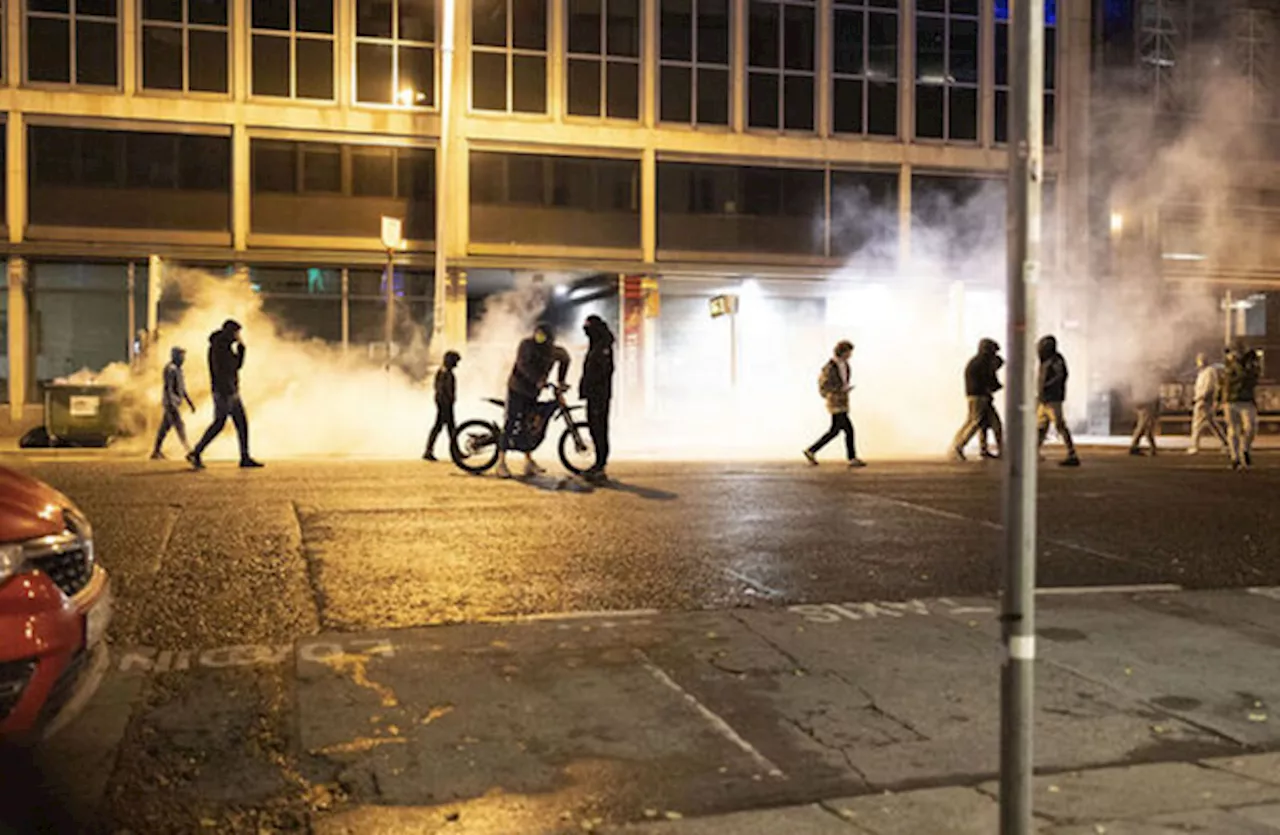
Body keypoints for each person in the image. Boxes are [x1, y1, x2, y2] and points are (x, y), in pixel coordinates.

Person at [495, 322, 570, 479]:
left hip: (533, 392)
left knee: (529, 425)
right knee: (510, 422)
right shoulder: (526, 345)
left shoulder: (553, 351)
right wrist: (537, 380)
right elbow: (522, 365)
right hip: (517, 388)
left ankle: (528, 462)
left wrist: (561, 381)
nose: (539, 338)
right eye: (537, 334)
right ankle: (501, 463)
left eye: (543, 336)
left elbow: (565, 358)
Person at [188, 319, 263, 470]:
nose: (238, 335)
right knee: (220, 424)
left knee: (239, 423)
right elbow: (225, 369)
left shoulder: (225, 346)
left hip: (230, 391)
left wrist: (241, 349)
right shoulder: (219, 347)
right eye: (236, 332)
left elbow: (236, 366)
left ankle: (244, 456)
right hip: (225, 392)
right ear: (229, 331)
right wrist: (227, 391)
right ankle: (196, 452)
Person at [804, 340, 866, 468]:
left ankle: (811, 450)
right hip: (835, 401)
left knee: (835, 431)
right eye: (849, 352)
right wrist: (837, 390)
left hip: (842, 400)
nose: (850, 355)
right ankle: (852, 457)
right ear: (842, 352)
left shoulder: (845, 365)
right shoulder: (830, 367)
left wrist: (844, 389)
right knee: (848, 429)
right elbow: (824, 385)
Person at [951, 338, 1004, 461]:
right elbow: (990, 381)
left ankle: (984, 449)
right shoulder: (983, 363)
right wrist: (996, 385)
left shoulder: (977, 361)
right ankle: (958, 446)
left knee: (988, 424)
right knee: (976, 422)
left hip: (979, 396)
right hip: (979, 397)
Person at [579, 315, 615, 482]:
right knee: (594, 428)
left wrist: (592, 388)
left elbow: (602, 372)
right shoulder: (597, 345)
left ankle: (600, 466)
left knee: (599, 430)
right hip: (594, 395)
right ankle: (598, 464)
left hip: (599, 396)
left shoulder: (603, 347)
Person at [1036, 335, 1081, 467]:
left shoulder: (1056, 360)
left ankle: (1072, 454)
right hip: (1045, 399)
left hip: (1053, 399)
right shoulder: (1047, 360)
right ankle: (1033, 453)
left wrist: (1046, 387)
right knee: (1041, 427)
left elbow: (1060, 376)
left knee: (1060, 425)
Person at [150, 346, 196, 460]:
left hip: (173, 403)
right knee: (180, 426)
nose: (183, 358)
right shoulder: (171, 369)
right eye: (181, 355)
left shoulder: (178, 369)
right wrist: (171, 403)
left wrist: (189, 402)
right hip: (171, 403)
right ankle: (189, 451)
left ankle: (156, 451)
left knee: (164, 428)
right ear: (175, 356)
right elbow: (168, 387)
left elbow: (182, 388)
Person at [1223, 343, 1261, 470]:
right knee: (1233, 430)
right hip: (1232, 400)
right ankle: (1235, 458)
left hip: (1247, 400)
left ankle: (1245, 449)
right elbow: (1230, 380)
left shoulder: (1250, 365)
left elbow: (1254, 379)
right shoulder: (1230, 365)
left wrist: (1250, 364)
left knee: (1251, 428)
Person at [1187, 352, 1228, 454]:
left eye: (1199, 360)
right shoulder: (1202, 372)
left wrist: (1201, 397)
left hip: (1204, 401)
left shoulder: (1209, 372)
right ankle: (1225, 442)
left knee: (1197, 424)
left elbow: (1209, 387)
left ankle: (1194, 446)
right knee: (1212, 423)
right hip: (1202, 400)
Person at [424, 351, 461, 461]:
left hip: (445, 403)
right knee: (444, 427)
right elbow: (441, 390)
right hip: (445, 404)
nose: (456, 364)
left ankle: (455, 452)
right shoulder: (445, 372)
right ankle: (454, 453)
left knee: (448, 428)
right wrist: (446, 403)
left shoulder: (444, 371)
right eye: (455, 361)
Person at [1128, 374, 1161, 456]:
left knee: (1146, 425)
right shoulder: (1146, 375)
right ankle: (1134, 445)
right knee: (1144, 424)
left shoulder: (1139, 374)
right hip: (1146, 400)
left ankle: (1152, 447)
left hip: (1142, 400)